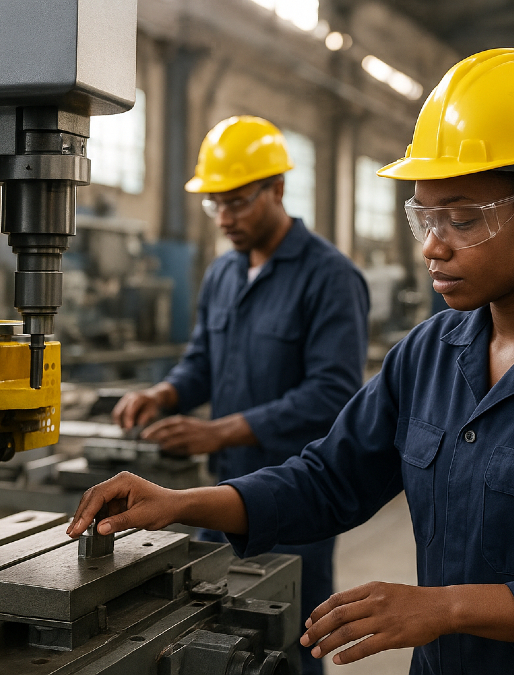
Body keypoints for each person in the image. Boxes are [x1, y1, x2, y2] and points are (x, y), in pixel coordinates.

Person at [74, 50, 514, 675]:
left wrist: (447, 607)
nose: (433, 246)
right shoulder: (427, 355)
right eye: (423, 216)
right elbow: (328, 480)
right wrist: (181, 503)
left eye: (462, 220)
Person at [111, 115, 369, 675]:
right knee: (218, 632)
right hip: (221, 491)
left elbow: (334, 393)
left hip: (294, 498)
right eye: (215, 205)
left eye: (238, 202)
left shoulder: (330, 277)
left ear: (277, 188)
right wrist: (164, 394)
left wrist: (218, 430)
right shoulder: (222, 274)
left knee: (291, 640)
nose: (225, 218)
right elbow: (203, 362)